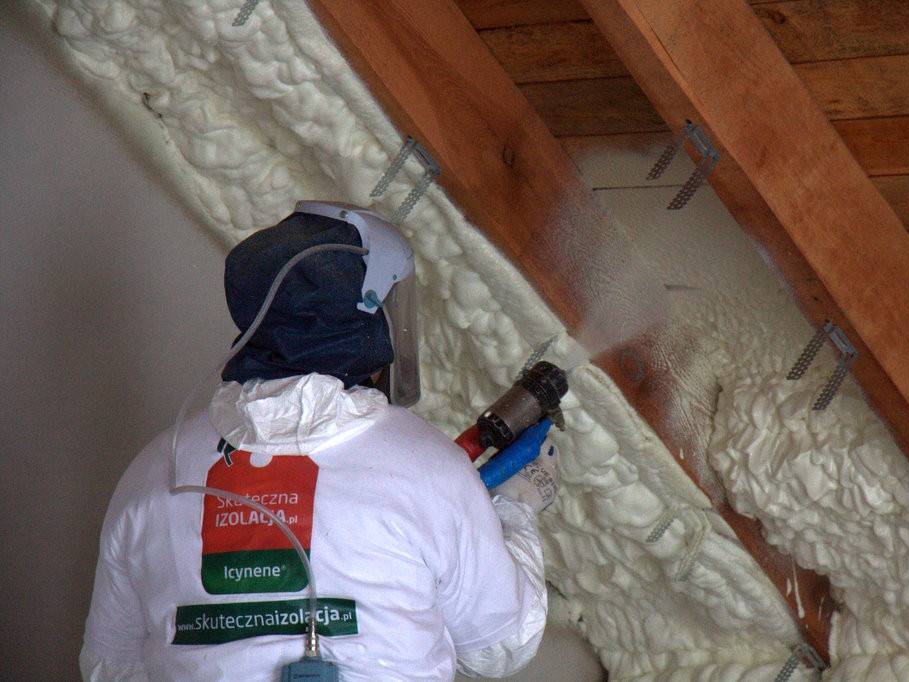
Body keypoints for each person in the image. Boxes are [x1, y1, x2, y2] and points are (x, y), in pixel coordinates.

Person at [80, 203, 556, 680]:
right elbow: (499, 647)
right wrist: (515, 508)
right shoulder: (430, 468)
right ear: (370, 324)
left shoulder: (152, 475)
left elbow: (110, 668)